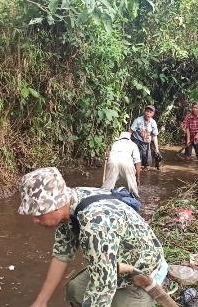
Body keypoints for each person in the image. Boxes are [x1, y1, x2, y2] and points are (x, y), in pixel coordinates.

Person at [19, 167, 168, 307]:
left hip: (141, 272)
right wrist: (40, 302)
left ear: (55, 205)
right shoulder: (69, 205)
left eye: (38, 213)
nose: (35, 219)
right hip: (115, 263)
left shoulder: (94, 224)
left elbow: (102, 288)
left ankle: (143, 298)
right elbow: (61, 255)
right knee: (75, 290)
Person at [101, 131, 141, 197]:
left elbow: (108, 155)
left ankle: (103, 196)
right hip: (127, 163)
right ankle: (135, 198)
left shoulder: (114, 144)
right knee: (133, 188)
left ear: (120, 138)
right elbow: (137, 162)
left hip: (113, 162)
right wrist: (138, 178)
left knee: (107, 188)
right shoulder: (133, 145)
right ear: (129, 138)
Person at [129, 105, 160, 170]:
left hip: (145, 142)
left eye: (150, 112)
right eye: (147, 111)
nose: (148, 113)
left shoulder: (153, 123)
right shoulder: (138, 120)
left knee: (146, 162)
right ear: (144, 112)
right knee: (135, 158)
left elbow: (154, 136)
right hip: (136, 140)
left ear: (153, 114)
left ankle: (145, 167)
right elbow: (130, 132)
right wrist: (127, 142)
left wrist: (157, 149)